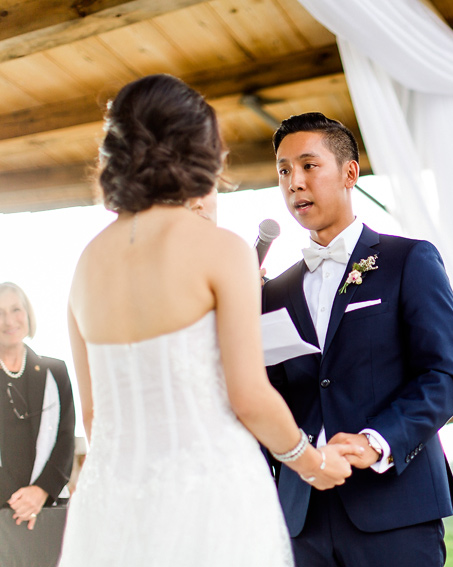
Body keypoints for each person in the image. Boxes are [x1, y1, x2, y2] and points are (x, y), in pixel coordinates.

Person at [58, 75, 357, 567]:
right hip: (210, 498)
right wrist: (311, 462)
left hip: (112, 506)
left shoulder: (86, 264)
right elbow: (249, 396)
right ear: (201, 148)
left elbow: (94, 417)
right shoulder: (219, 249)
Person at [263, 112, 453, 566]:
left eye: (309, 165)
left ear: (349, 173)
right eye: (284, 170)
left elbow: (442, 377)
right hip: (301, 519)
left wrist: (376, 441)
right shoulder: (271, 293)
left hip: (395, 506)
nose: (295, 182)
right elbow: (266, 395)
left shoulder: (408, 260)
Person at [0, 282, 75, 531]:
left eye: (16, 309)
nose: (9, 320)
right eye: (0, 313)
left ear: (28, 314)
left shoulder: (56, 372)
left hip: (47, 509)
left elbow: (66, 440)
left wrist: (41, 491)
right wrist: (17, 501)